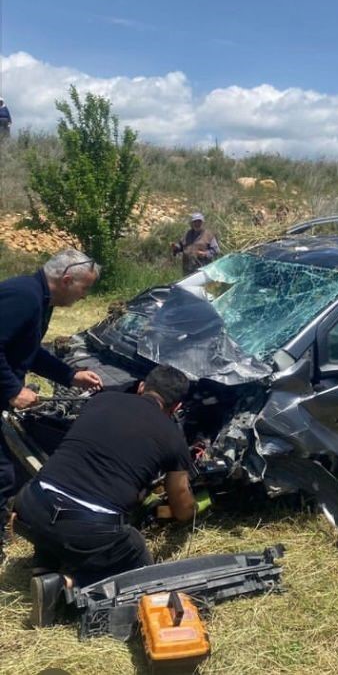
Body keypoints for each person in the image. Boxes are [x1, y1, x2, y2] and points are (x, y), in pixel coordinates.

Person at [14, 365, 196, 627]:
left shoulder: (102, 399)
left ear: (142, 387)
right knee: (136, 557)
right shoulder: (173, 438)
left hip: (29, 508)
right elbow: (180, 505)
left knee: (66, 501)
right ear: (177, 406)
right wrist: (190, 511)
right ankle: (65, 587)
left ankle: (45, 563)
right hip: (85, 529)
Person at [0, 249, 103, 565]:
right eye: (84, 288)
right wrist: (13, 389)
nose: (84, 296)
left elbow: (30, 352)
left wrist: (71, 375)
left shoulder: (39, 300)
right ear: (67, 279)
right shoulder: (24, 296)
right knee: (2, 471)